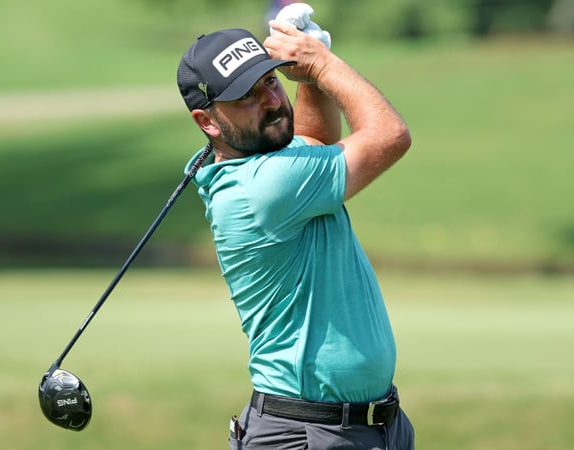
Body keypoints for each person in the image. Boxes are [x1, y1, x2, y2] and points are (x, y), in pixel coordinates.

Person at [176, 19, 414, 450]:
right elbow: (390, 136)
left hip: (366, 428)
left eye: (271, 80)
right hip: (307, 434)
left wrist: (310, 81)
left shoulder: (269, 166)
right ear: (207, 122)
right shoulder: (261, 188)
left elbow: (314, 143)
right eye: (246, 97)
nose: (270, 100)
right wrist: (322, 64)